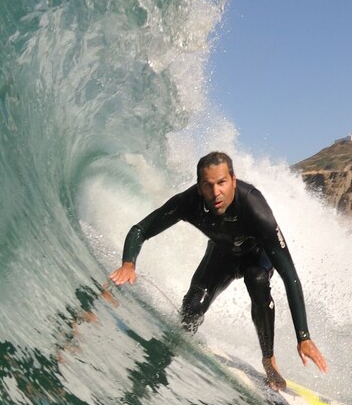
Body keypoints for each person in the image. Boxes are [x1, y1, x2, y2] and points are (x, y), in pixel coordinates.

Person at [109, 151, 327, 390]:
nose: (215, 193)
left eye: (222, 183)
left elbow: (290, 276)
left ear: (233, 180)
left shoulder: (255, 209)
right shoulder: (189, 202)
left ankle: (269, 359)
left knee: (256, 279)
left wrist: (303, 336)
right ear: (199, 187)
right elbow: (141, 229)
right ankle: (163, 360)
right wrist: (128, 263)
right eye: (208, 185)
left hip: (256, 258)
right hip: (221, 257)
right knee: (192, 308)